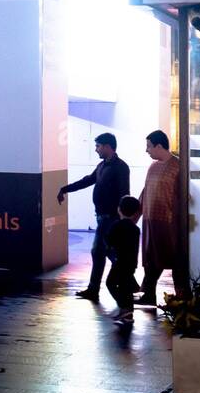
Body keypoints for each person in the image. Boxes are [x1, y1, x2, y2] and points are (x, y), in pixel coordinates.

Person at [57, 132, 130, 301]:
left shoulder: (121, 167)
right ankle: (126, 282)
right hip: (103, 217)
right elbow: (87, 180)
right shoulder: (101, 166)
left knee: (98, 251)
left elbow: (124, 193)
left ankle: (94, 289)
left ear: (107, 146)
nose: (96, 149)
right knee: (109, 253)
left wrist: (122, 217)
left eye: (98, 146)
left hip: (111, 218)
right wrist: (65, 189)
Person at [137, 130, 187, 306]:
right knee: (151, 260)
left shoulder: (177, 166)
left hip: (169, 224)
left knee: (176, 261)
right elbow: (145, 192)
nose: (147, 150)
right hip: (151, 222)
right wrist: (135, 214)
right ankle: (148, 294)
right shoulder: (153, 166)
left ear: (159, 146)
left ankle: (182, 299)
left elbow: (184, 198)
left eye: (149, 146)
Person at [105, 196, 142, 326]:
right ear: (137, 212)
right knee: (126, 288)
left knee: (110, 283)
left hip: (119, 262)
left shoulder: (117, 226)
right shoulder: (136, 229)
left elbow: (109, 241)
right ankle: (128, 314)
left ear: (119, 209)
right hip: (131, 264)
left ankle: (124, 308)